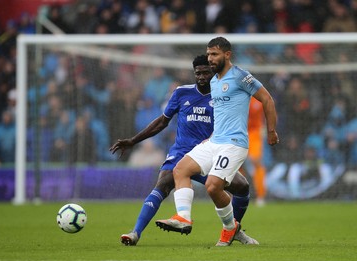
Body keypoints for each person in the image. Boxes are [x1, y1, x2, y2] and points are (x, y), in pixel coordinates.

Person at [110, 55, 258, 246]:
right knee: (163, 184)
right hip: (181, 153)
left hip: (210, 153)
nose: (202, 76)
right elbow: (162, 122)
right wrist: (133, 140)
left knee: (243, 187)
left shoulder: (223, 96)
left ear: (213, 72)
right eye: (198, 73)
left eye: (206, 72)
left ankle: (234, 230)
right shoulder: (181, 93)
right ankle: (135, 233)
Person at [156, 37, 279, 247]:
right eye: (209, 53)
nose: (210, 58)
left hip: (234, 143)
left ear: (227, 55)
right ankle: (184, 218)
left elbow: (267, 99)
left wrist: (271, 131)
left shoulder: (240, 76)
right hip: (214, 141)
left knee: (213, 187)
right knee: (180, 169)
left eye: (214, 54)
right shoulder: (214, 80)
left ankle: (229, 229)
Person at [241, 96, 267, 206]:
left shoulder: (258, 100)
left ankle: (261, 195)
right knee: (236, 164)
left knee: (255, 160)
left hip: (254, 133)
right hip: (238, 132)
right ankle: (237, 194)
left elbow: (269, 111)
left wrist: (267, 127)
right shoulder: (236, 97)